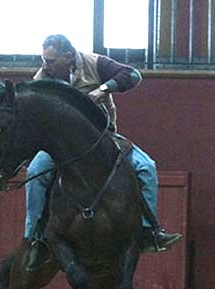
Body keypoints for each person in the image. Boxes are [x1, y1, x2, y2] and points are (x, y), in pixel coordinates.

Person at [25, 34, 181, 271]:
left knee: (146, 167)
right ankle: (34, 238)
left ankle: (149, 231)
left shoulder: (93, 63)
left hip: (102, 138)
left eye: (51, 60)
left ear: (68, 56)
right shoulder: (42, 79)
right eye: (44, 59)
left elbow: (132, 75)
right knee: (35, 172)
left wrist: (103, 89)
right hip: (61, 146)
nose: (45, 65)